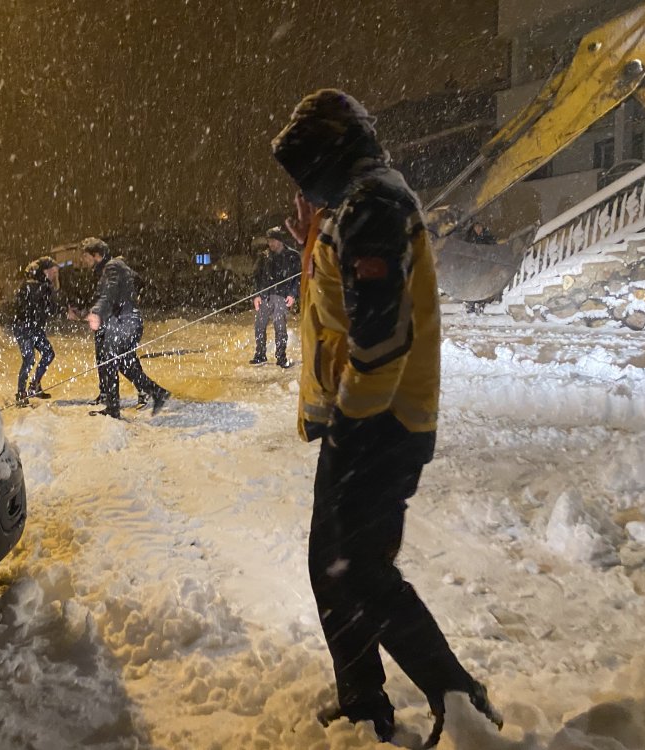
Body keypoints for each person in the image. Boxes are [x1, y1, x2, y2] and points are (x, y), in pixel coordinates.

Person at [271, 88, 502, 748]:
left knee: (361, 571)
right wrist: (313, 236)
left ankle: (461, 699)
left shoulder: (373, 202)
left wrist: (351, 426)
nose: (304, 187)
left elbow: (381, 338)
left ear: (330, 154)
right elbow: (341, 303)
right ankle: (363, 701)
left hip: (379, 421)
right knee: (333, 566)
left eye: (307, 172)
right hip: (364, 416)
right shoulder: (354, 203)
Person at [79, 237, 169, 419]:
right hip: (124, 322)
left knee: (110, 361)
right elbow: (109, 294)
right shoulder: (109, 269)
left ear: (97, 255)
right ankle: (157, 392)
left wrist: (97, 312)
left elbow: (110, 292)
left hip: (125, 322)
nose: (84, 261)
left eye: (86, 257)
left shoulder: (112, 267)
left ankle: (114, 409)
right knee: (123, 364)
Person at [5, 256, 62, 407]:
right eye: (53, 271)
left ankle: (34, 386)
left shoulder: (44, 285)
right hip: (24, 327)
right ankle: (21, 393)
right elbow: (37, 306)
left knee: (48, 353)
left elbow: (50, 308)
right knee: (29, 359)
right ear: (45, 271)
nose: (55, 275)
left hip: (35, 328)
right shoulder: (32, 285)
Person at [250, 227, 300, 367]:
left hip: (281, 296)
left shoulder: (292, 256)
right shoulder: (264, 256)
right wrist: (256, 295)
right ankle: (260, 355)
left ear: (280, 240)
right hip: (265, 295)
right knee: (259, 325)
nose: (270, 244)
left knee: (280, 327)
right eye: (268, 240)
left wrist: (292, 294)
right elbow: (256, 277)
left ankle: (281, 357)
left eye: (273, 240)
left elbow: (298, 278)